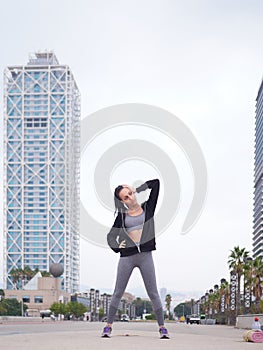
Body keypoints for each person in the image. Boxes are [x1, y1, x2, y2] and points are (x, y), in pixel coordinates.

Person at [101, 179, 169, 339]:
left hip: (146, 256)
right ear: (121, 201)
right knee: (118, 292)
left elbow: (157, 183)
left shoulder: (148, 207)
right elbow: (111, 237)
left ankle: (162, 328)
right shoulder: (122, 216)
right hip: (127, 257)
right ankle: (108, 326)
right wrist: (118, 247)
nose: (130, 198)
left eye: (130, 194)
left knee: (153, 293)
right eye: (126, 197)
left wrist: (137, 189)